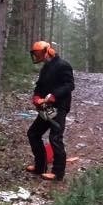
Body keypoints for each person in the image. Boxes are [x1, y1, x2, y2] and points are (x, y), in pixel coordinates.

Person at [26, 41, 75, 182]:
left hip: (59, 107)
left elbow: (70, 85)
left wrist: (54, 95)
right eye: (35, 54)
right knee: (33, 133)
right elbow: (39, 86)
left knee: (55, 137)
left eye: (38, 53)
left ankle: (58, 173)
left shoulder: (63, 65)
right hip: (47, 108)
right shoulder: (45, 68)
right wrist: (37, 97)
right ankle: (40, 166)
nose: (37, 57)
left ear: (47, 51)